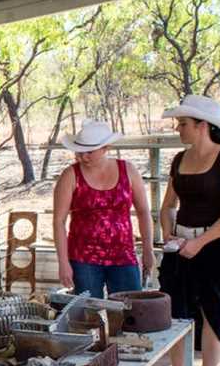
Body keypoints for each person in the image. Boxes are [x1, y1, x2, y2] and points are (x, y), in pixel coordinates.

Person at [153, 95, 220, 366]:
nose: (179, 128)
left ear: (202, 126)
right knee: (176, 311)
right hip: (181, 246)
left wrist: (201, 241)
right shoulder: (179, 159)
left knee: (212, 312)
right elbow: (168, 207)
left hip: (217, 246)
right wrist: (168, 233)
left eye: (183, 124)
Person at [53, 120, 154, 298]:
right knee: (89, 313)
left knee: (129, 310)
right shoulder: (70, 175)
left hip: (123, 253)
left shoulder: (128, 170)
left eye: (89, 152)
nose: (83, 157)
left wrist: (148, 250)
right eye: (80, 152)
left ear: (105, 148)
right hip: (83, 256)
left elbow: (144, 212)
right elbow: (59, 221)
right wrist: (63, 262)